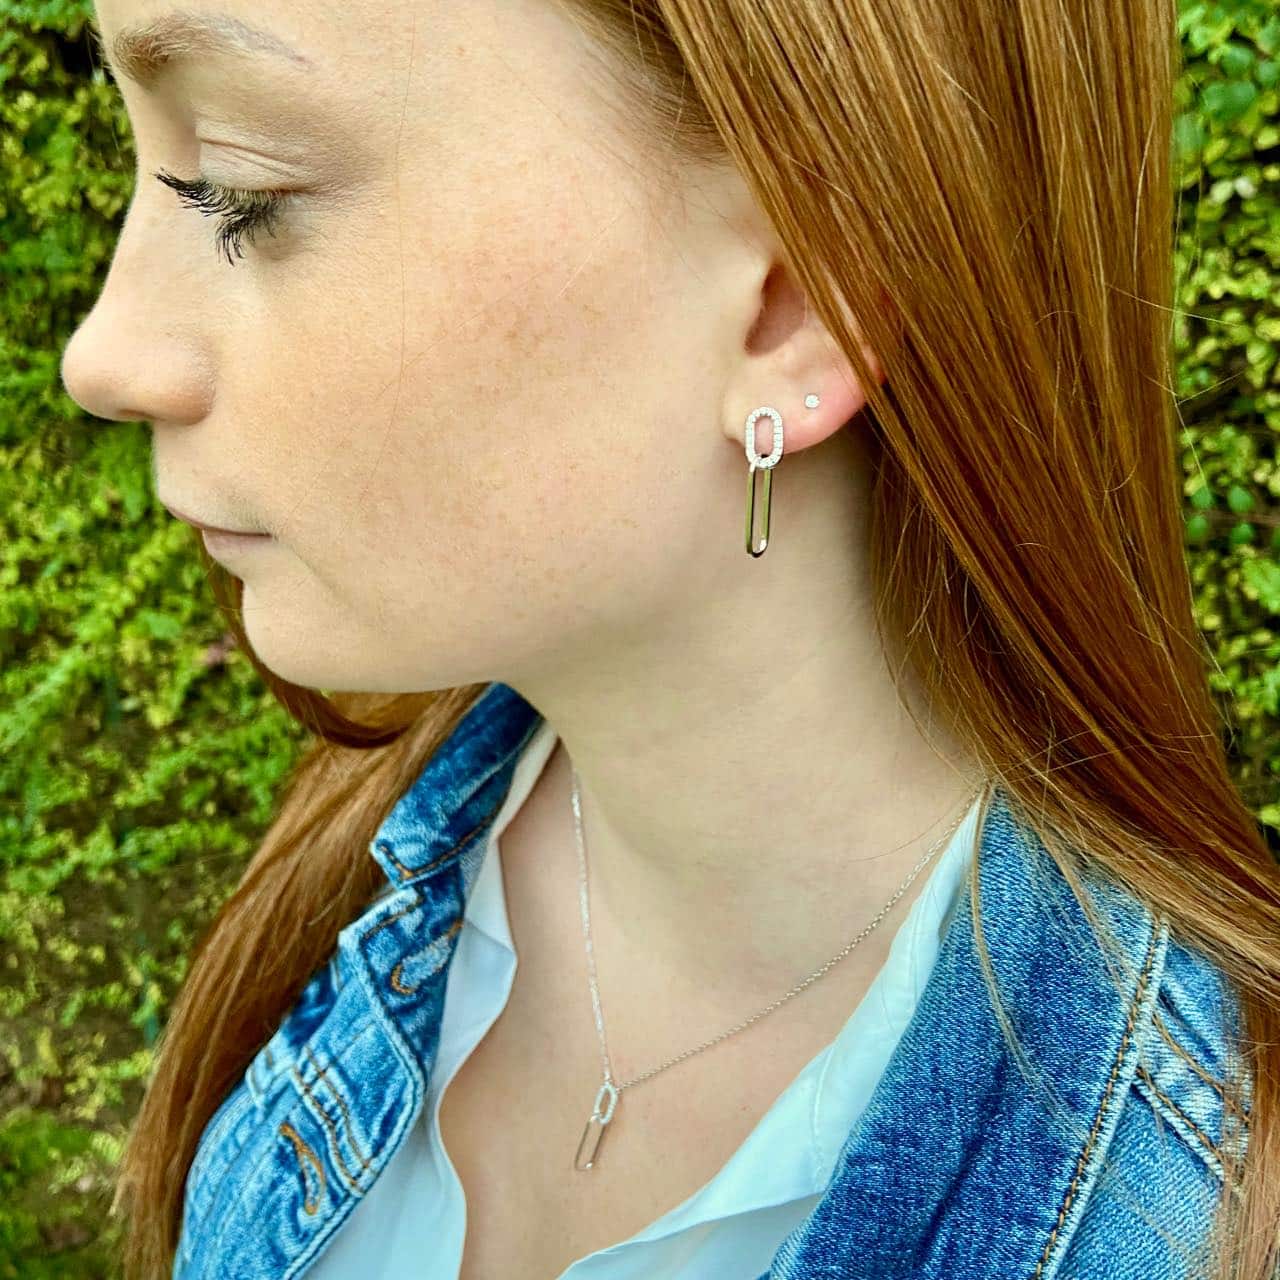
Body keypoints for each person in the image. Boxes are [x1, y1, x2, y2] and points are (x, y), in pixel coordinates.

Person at [59, 1, 1280, 1278]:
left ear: (789, 308)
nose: (105, 354)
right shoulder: (346, 883)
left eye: (239, 189)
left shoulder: (1191, 1221)